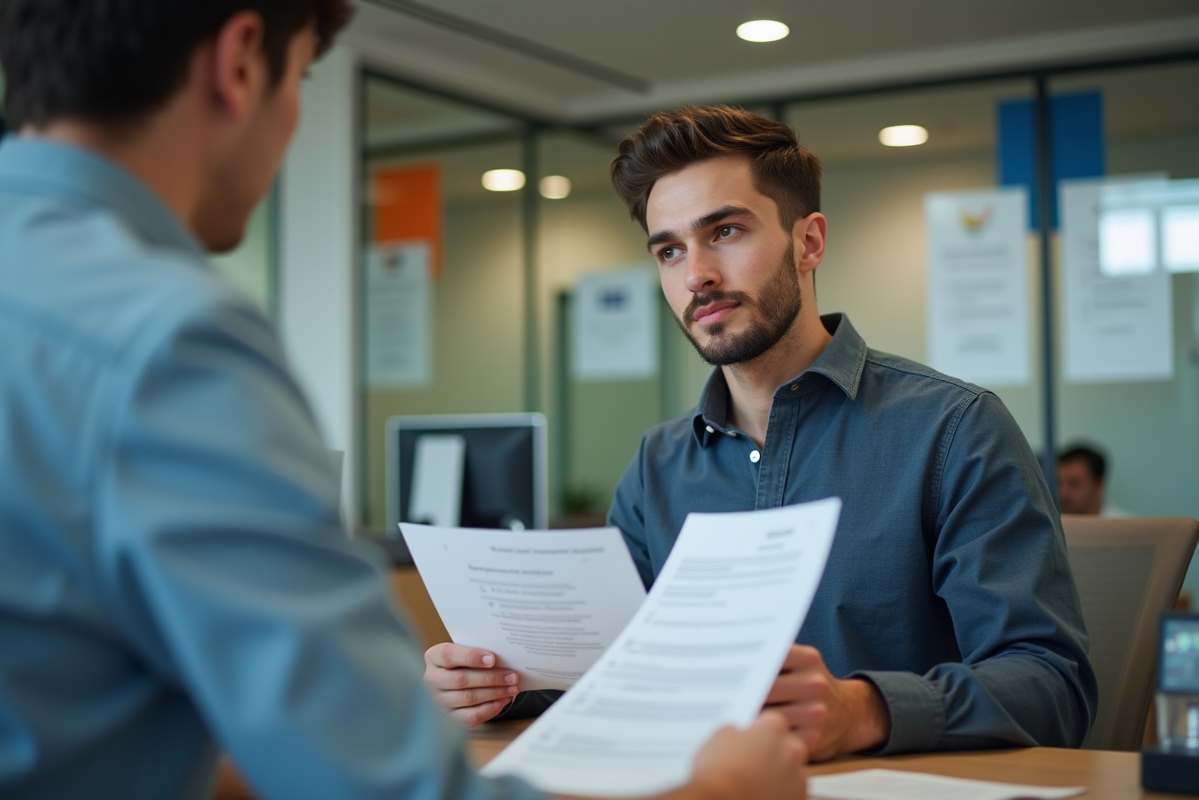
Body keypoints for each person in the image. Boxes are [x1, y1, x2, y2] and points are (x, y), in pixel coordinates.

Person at [0, 7, 811, 798]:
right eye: (305, 78)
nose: (696, 272)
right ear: (241, 62)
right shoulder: (165, 340)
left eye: (725, 234)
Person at [425, 105, 1098, 761]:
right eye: (669, 250)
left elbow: (1051, 683)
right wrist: (502, 684)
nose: (697, 276)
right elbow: (616, 672)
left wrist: (863, 710)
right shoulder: (660, 464)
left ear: (809, 242)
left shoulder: (952, 430)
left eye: (725, 232)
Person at [1057, 443, 1130, 517]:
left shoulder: (1129, 526)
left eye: (1074, 484)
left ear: (1098, 486)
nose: (1063, 493)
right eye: (1058, 483)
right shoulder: (1051, 526)